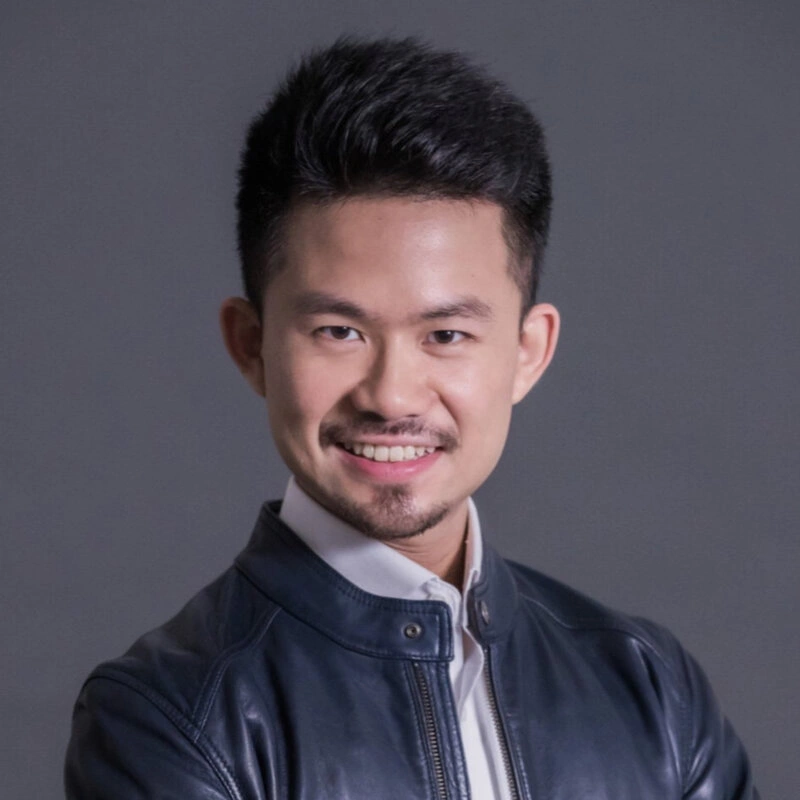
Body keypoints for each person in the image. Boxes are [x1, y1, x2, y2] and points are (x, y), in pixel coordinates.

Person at [65, 37, 758, 799]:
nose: (391, 397)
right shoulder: (167, 716)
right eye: (339, 332)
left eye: (447, 335)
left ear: (528, 352)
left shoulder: (651, 689)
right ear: (251, 345)